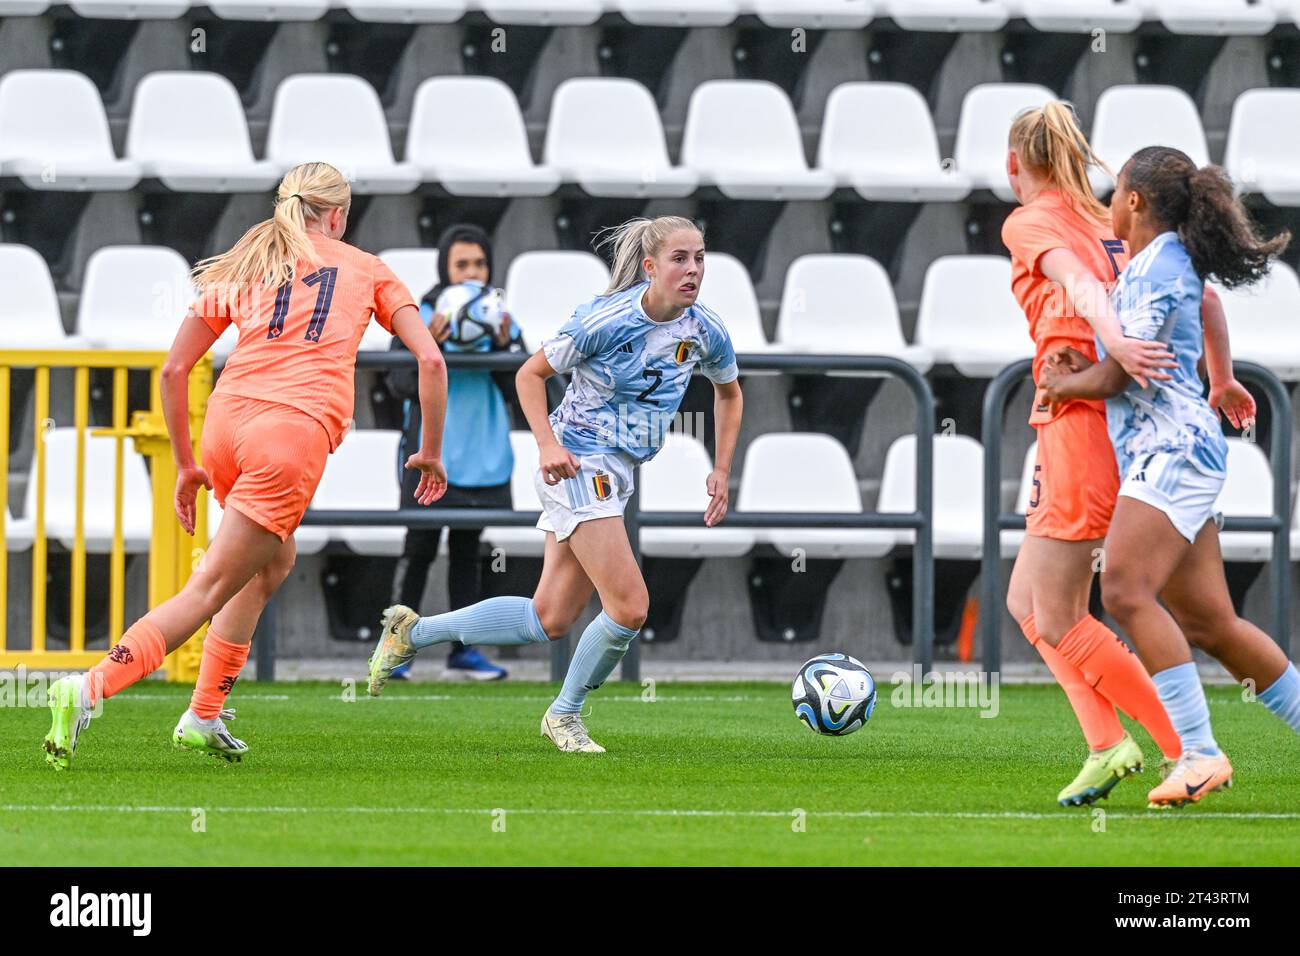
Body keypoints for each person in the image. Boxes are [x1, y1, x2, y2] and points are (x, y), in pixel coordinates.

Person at [42, 162, 448, 769]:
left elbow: (175, 370)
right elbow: (431, 362)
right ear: (338, 214)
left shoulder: (250, 258)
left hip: (226, 426)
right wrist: (430, 451)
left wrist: (185, 464)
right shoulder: (368, 269)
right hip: (288, 436)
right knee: (208, 588)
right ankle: (88, 688)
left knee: (269, 563)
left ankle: (203, 716)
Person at [366, 216, 744, 753]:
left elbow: (729, 393)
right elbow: (528, 374)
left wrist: (722, 469)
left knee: (549, 618)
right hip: (577, 462)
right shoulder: (606, 319)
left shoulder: (704, 328)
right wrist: (547, 445)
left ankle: (412, 632)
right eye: (680, 258)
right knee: (631, 605)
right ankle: (564, 715)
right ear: (650, 266)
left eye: (700, 257)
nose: (693, 269)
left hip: (619, 470)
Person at [1039, 145, 1300, 808]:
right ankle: (1207, 750)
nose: (1108, 199)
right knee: (1212, 624)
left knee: (1124, 588)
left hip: (1173, 454)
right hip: (1179, 452)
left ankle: (1199, 754)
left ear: (1134, 201)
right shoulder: (1160, 263)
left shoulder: (1157, 268)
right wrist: (1222, 377)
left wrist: (1064, 385)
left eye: (1116, 188)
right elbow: (1207, 308)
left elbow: (1122, 374)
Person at [1000, 101, 1195, 806]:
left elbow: (1081, 292)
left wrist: (1113, 348)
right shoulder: (1106, 217)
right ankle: (1107, 743)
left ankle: (1187, 749)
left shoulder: (1030, 222)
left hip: (1081, 419)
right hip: (1084, 416)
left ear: (1013, 163)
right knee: (1027, 601)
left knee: (1057, 615)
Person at [385, 224, 524, 681]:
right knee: (419, 547)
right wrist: (433, 344)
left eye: (479, 264)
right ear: (444, 268)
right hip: (428, 455)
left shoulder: (503, 318)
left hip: (483, 457)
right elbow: (397, 382)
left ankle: (464, 651)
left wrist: (505, 348)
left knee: (470, 552)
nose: (472, 273)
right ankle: (394, 649)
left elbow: (521, 392)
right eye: (461, 264)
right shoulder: (416, 315)